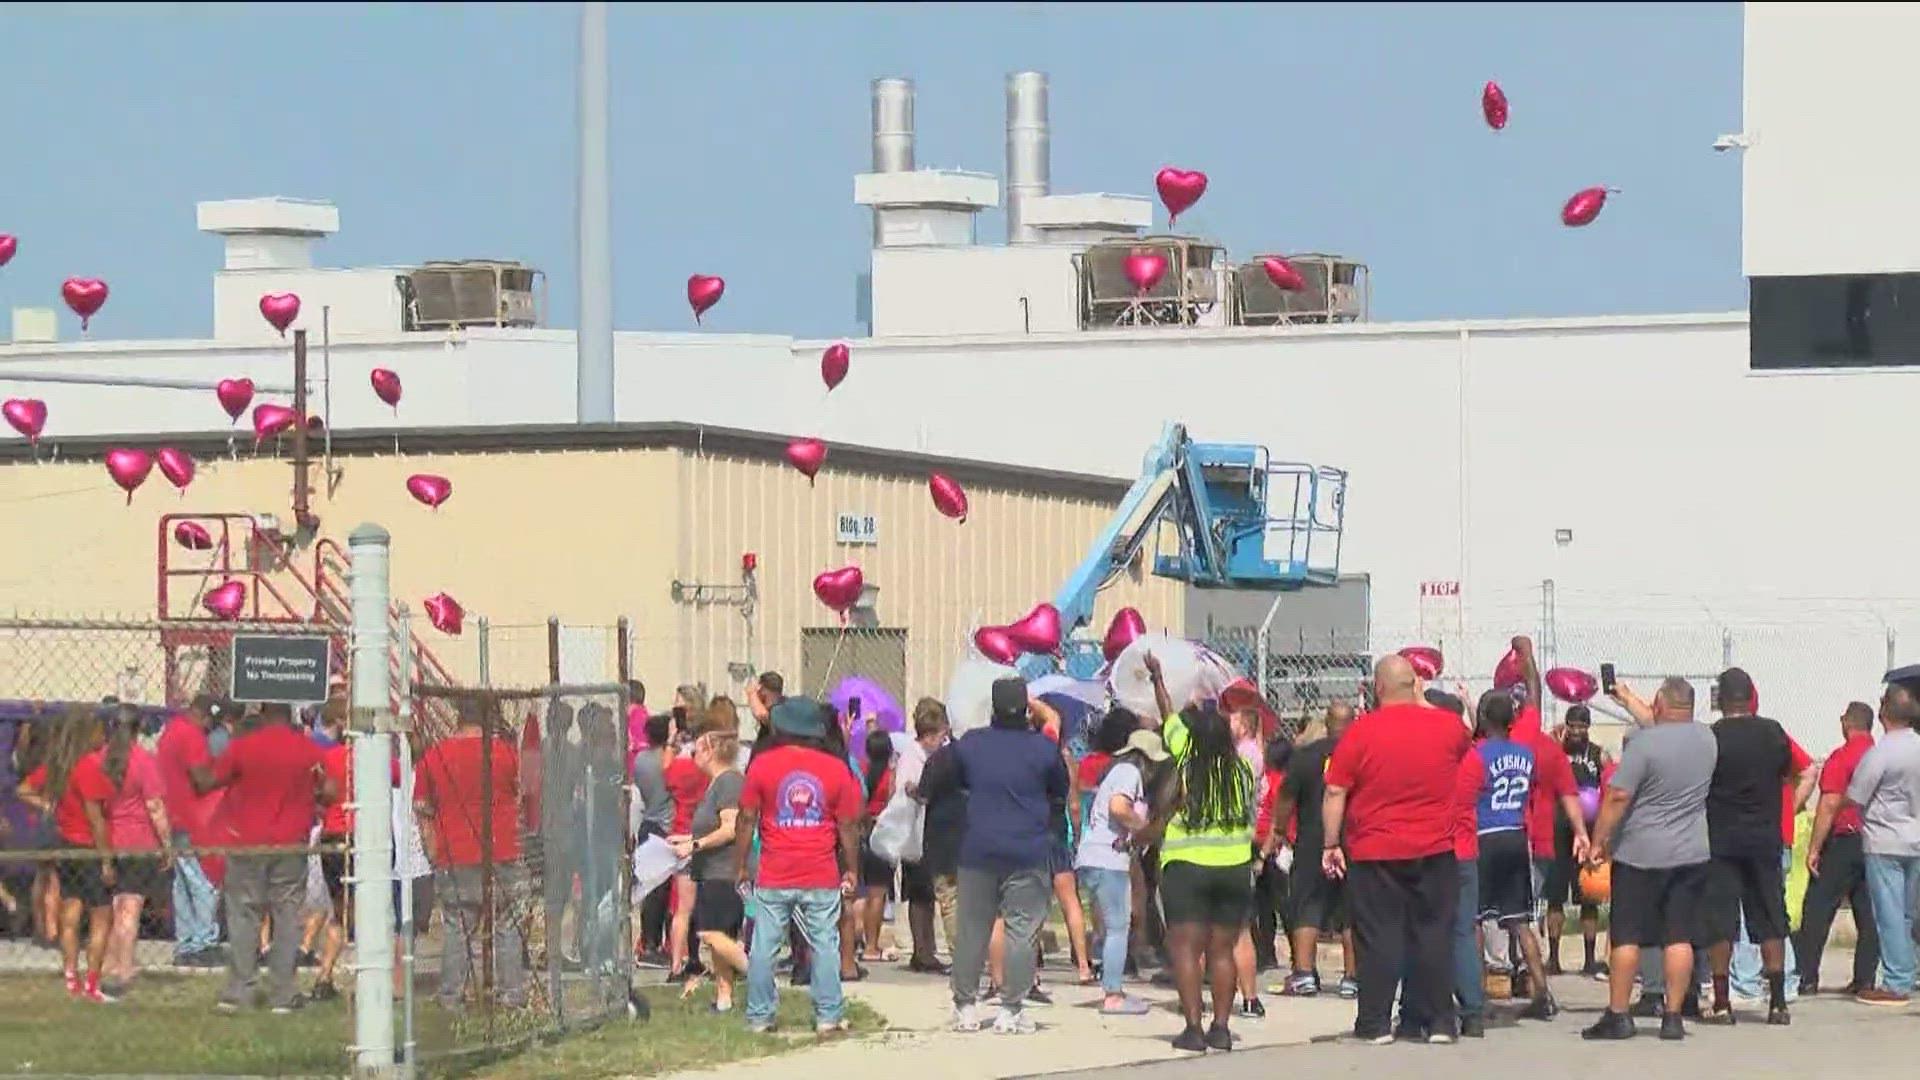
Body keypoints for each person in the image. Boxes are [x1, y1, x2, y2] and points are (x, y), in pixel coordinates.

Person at [1321, 655, 1468, 1045]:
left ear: (1377, 688)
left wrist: (1330, 843)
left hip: (1376, 848)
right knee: (1434, 933)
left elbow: (1336, 790)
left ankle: (1375, 1022)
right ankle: (1437, 1021)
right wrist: (1420, 699)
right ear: (1415, 686)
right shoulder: (1447, 726)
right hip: (1436, 846)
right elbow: (1461, 742)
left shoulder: (1360, 731)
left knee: (1379, 936)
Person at [921, 678, 1065, 1036]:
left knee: (973, 930)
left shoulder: (971, 744)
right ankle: (1011, 1009)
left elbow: (938, 776)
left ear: (993, 708)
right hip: (1028, 849)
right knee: (1021, 930)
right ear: (1027, 708)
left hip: (977, 848)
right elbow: (1059, 795)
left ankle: (966, 1006)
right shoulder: (1043, 749)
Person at [1583, 677, 1716, 1042]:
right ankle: (1672, 1016)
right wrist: (1627, 700)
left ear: (1658, 705)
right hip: (1690, 852)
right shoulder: (1706, 739)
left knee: (1626, 935)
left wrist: (1599, 840)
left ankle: (1619, 1014)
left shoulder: (1644, 745)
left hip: (1641, 854)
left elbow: (1618, 795)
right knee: (1678, 936)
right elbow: (1669, 728)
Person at [1138, 654, 1257, 1053]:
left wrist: (1158, 677)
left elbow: (1167, 713)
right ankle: (1221, 1027)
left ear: (1191, 739)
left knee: (1186, 948)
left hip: (1187, 868)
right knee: (1222, 950)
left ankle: (1193, 1027)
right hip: (1234, 868)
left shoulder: (1184, 764)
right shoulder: (1242, 771)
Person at [1456, 691, 1588, 1023]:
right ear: (1512, 720)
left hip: (1485, 836)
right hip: (1516, 834)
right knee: (1520, 920)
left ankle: (1478, 995)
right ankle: (1542, 993)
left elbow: (1464, 798)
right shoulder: (1525, 755)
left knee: (1476, 918)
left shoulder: (1478, 754)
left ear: (1484, 719)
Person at [194, 701, 333, 1014]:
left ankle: (239, 991)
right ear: (289, 716)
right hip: (290, 843)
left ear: (263, 714)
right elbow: (330, 790)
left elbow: (207, 781)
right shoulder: (307, 750)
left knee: (244, 914)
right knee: (287, 916)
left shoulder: (243, 747)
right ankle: (282, 994)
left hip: (246, 842)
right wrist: (308, 793)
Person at [736, 697, 864, 1035]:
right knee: (824, 943)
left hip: (775, 870)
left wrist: (742, 865)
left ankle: (760, 1017)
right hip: (820, 870)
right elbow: (848, 825)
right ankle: (828, 1016)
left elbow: (747, 818)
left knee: (764, 945)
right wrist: (851, 867)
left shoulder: (761, 765)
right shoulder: (837, 768)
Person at [1697, 668, 1802, 1025]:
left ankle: (1723, 1003)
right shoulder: (1773, 732)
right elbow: (1788, 773)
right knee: (1770, 918)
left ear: (1722, 699)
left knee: (1722, 922)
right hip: (1764, 838)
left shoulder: (1712, 738)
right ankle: (1777, 1003)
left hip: (1722, 840)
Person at [413, 697, 525, 1011]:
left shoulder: (434, 757)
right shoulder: (504, 753)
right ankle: (512, 994)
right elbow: (522, 796)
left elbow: (423, 810)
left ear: (458, 719)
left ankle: (452, 997)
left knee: (457, 928)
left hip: (455, 852)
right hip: (502, 850)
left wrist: (433, 849)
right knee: (507, 924)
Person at [18, 706, 117, 1002]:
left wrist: (48, 805)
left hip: (67, 843)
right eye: (101, 730)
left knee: (70, 911)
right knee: (102, 917)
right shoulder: (88, 766)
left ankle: (71, 976)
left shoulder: (60, 765)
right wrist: (107, 860)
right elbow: (96, 818)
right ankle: (92, 985)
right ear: (90, 734)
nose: (105, 735)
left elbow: (23, 789)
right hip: (88, 846)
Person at [1265, 702, 1356, 999]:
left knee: (1306, 905)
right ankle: (1352, 978)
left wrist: (1278, 830)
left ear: (1327, 723)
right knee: (1350, 911)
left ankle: (1304, 974)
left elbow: (1286, 797)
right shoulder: (1360, 755)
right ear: (1352, 723)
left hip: (1311, 840)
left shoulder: (1306, 756)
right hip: (1352, 840)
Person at [1076, 727, 1166, 1016]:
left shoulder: (1114, 773)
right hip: (1107, 858)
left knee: (1112, 926)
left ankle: (1111, 984)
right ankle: (1113, 994)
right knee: (1118, 927)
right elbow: (1118, 808)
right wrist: (1143, 828)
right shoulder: (1130, 773)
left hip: (1095, 855)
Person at [1844, 665, 1920, 1006]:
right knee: (1909, 913)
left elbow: (1856, 796)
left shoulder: (1881, 752)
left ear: (1883, 711)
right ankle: (1910, 970)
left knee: (1889, 913)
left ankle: (1896, 981)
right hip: (1916, 839)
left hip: (1884, 840)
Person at [1798, 701, 1880, 994]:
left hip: (1844, 839)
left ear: (1848, 723)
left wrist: (1814, 848)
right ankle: (1864, 978)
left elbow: (1830, 804)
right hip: (1875, 841)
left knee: (1819, 907)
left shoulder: (1842, 757)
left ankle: (1806, 977)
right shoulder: (1880, 755)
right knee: (1869, 912)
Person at [99, 703, 172, 997]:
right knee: (130, 906)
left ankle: (108, 962)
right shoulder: (143, 760)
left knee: (113, 907)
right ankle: (124, 967)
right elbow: (155, 806)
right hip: (138, 840)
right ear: (138, 728)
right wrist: (166, 844)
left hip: (106, 840)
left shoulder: (99, 759)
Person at [673, 729, 747, 1012]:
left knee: (710, 933)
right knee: (718, 938)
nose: (694, 755)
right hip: (711, 869)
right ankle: (724, 998)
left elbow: (731, 827)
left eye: (698, 750)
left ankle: (759, 974)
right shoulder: (716, 783)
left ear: (712, 752)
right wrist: (685, 840)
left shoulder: (728, 782)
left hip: (724, 870)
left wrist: (695, 844)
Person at [155, 695, 226, 967]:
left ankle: (187, 942)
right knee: (204, 881)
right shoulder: (192, 735)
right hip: (192, 817)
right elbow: (201, 779)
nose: (210, 727)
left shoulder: (171, 730)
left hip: (173, 814)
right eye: (210, 721)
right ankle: (204, 941)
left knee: (183, 884)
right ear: (204, 716)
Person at [1546, 704, 1609, 978]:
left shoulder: (1598, 754)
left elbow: (1608, 784)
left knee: (1588, 896)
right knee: (1555, 897)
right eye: (1573, 725)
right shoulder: (1556, 751)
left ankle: (1589, 958)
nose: (1576, 731)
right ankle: (1554, 957)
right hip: (1559, 828)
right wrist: (1553, 745)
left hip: (1589, 830)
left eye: (1582, 726)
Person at [896, 698, 951, 974]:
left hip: (932, 835)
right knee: (919, 895)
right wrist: (922, 790)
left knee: (927, 895)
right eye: (941, 735)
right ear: (929, 735)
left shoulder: (934, 756)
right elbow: (908, 788)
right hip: (914, 836)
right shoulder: (912, 756)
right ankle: (922, 951)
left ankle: (927, 949)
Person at [664, 695, 713, 982]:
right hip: (701, 835)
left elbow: (666, 772)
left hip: (679, 831)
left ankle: (676, 962)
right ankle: (691, 957)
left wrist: (672, 740)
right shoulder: (705, 770)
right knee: (697, 906)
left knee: (682, 907)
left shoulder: (679, 769)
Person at [631, 710, 678, 966]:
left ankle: (649, 941)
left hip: (648, 824)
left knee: (651, 888)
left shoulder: (640, 760)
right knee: (665, 891)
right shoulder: (667, 760)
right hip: (667, 827)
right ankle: (655, 944)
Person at [312, 702, 351, 1000]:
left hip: (332, 833)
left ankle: (324, 976)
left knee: (338, 908)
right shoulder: (372, 759)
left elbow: (324, 793)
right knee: (355, 910)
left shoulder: (328, 757)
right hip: (358, 834)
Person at [1250, 737, 1293, 975]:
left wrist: (1265, 852)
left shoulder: (1280, 783)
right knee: (1262, 904)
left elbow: (1278, 820)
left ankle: (1297, 955)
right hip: (1258, 842)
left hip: (1274, 846)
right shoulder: (1265, 778)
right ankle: (1265, 953)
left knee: (1280, 902)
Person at [855, 728, 896, 965]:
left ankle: (858, 940)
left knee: (861, 891)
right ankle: (871, 944)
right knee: (878, 892)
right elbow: (893, 803)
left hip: (861, 831)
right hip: (882, 833)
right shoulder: (890, 775)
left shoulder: (861, 770)